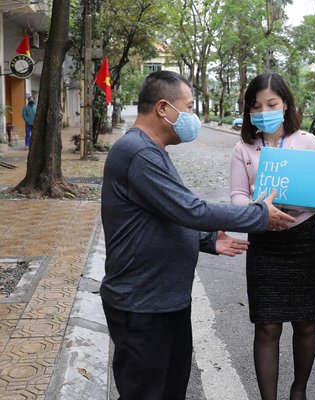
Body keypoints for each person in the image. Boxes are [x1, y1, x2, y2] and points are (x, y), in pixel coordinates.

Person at [100, 70, 295, 400]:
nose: (193, 117)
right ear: (164, 108)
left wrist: (205, 240)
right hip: (142, 303)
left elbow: (167, 214)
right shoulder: (139, 153)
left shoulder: (152, 151)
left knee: (170, 389)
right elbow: (190, 209)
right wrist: (259, 214)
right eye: (189, 108)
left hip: (165, 300)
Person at [229, 72, 315, 400]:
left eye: (271, 104)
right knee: (267, 325)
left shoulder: (308, 142)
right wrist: (258, 210)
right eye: (256, 107)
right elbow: (237, 197)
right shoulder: (243, 147)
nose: (264, 111)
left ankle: (298, 392)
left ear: (286, 104)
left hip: (304, 241)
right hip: (265, 242)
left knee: (306, 322)